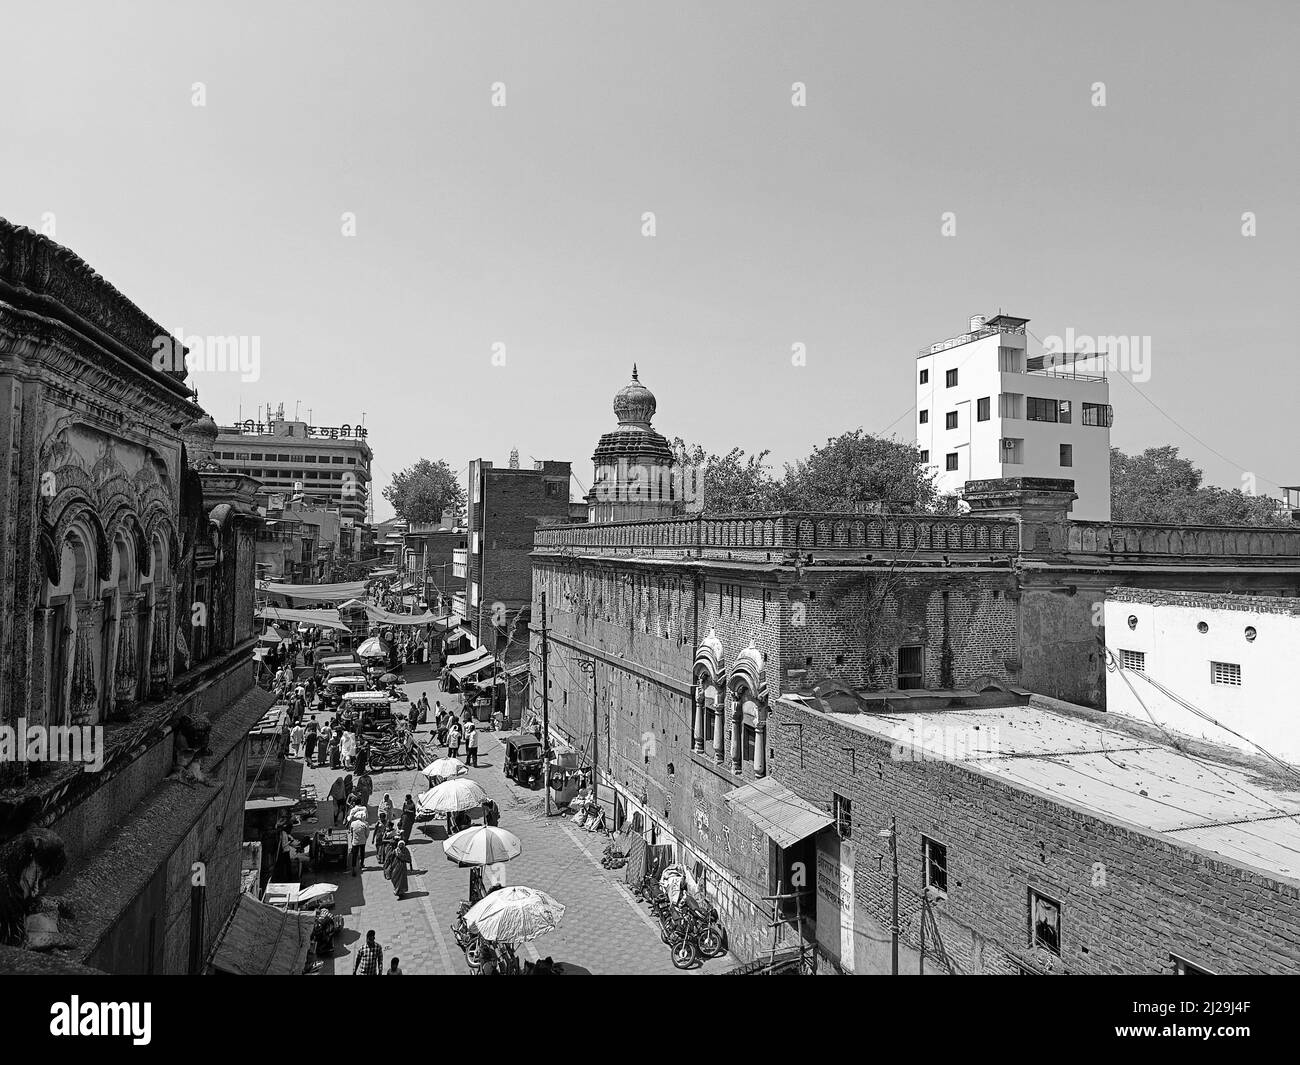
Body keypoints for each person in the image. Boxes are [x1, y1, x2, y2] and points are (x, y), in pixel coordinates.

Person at [348, 809, 370, 876]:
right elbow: (367, 833)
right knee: (362, 852)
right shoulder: (365, 824)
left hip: (355, 842)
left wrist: (352, 838)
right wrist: (365, 838)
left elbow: (351, 832)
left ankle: (354, 868)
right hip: (362, 841)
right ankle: (361, 864)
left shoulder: (353, 823)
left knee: (354, 855)